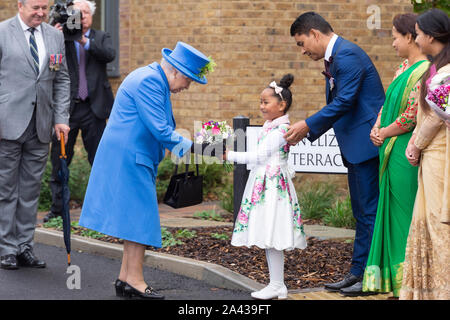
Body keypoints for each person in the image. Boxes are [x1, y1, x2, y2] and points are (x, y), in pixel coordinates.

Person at [78, 42, 219, 300]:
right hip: (129, 159)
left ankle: (126, 277)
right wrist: (211, 150)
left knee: (136, 218)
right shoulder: (150, 82)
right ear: (175, 72)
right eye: (189, 80)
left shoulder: (150, 77)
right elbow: (162, 131)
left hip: (131, 157)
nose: (187, 87)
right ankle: (135, 280)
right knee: (142, 219)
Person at [286, 12, 385, 296]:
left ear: (315, 34)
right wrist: (310, 128)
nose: (303, 50)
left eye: (302, 43)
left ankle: (369, 278)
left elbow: (344, 102)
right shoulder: (337, 57)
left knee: (369, 213)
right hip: (356, 147)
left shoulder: (347, 55)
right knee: (361, 213)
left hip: (366, 145)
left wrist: (307, 125)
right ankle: (357, 273)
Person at [362, 13, 429, 298]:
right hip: (389, 146)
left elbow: (413, 114)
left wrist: (386, 132)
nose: (392, 44)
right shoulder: (403, 67)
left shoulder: (425, 70)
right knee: (388, 214)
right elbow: (388, 102)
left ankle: (408, 284)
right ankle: (393, 283)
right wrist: (377, 126)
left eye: (394, 37)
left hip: (405, 151)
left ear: (410, 37)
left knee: (403, 216)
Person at [0, 0, 70, 270]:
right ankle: (5, 248)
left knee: (30, 191)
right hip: (7, 123)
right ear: (20, 5)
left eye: (45, 7)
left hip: (41, 125)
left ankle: (24, 246)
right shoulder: (3, 32)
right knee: (6, 190)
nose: (41, 13)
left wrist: (61, 118)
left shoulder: (54, 36)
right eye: (35, 7)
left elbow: (62, 79)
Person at [225, 74, 307, 300]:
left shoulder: (281, 130)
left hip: (272, 186)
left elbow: (260, 155)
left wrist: (228, 154)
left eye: (266, 102)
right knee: (269, 233)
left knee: (273, 231)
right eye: (260, 102)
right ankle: (276, 284)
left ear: (282, 105)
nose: (261, 106)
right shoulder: (271, 127)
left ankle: (277, 284)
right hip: (265, 182)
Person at [44, 0, 115, 223]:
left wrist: (82, 40)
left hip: (94, 110)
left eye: (84, 13)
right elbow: (48, 64)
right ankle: (57, 210)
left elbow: (108, 55)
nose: (81, 17)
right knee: (60, 159)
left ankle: (103, 210)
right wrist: (53, 36)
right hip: (66, 110)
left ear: (91, 16)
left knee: (100, 161)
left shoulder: (100, 37)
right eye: (76, 13)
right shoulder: (61, 37)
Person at [400, 9, 449, 300]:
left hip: (439, 156)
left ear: (431, 35)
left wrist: (415, 144)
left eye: (418, 33)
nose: (416, 38)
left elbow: (432, 118)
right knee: (429, 224)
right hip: (434, 153)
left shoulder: (445, 72)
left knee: (438, 223)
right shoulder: (438, 68)